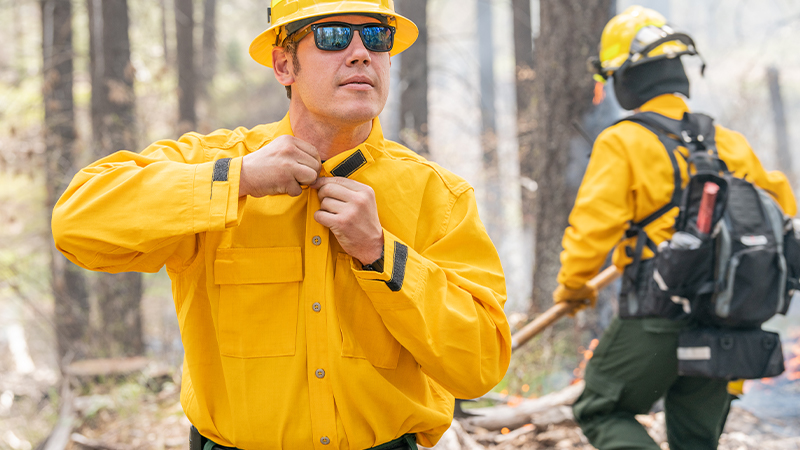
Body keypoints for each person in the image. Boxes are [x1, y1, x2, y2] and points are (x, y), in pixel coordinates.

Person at [51, 1, 512, 448]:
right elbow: (76, 223)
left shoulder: (439, 198)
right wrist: (238, 180)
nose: (360, 52)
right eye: (332, 36)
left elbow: (480, 365)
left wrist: (382, 254)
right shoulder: (222, 164)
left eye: (376, 36)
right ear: (283, 66)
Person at [552, 6, 797, 450]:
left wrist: (573, 287)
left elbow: (592, 231)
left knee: (600, 407)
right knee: (696, 441)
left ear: (626, 78)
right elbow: (781, 209)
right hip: (726, 318)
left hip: (659, 312)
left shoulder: (622, 141)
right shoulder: (729, 142)